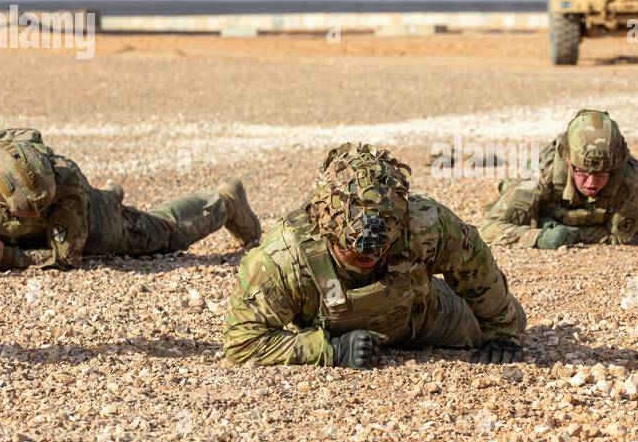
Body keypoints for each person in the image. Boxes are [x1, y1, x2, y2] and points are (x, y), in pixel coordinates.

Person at [223, 143, 526, 368]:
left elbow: (474, 262)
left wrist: (502, 332)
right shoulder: (282, 258)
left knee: (515, 318)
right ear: (325, 231)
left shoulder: (425, 224)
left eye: (379, 250)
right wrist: (331, 350)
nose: (367, 257)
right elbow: (241, 343)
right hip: (331, 330)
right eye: (352, 251)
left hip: (420, 315)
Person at [0, 128, 260, 276]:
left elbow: (66, 256)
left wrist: (9, 258)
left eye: (42, 203)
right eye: (30, 209)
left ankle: (225, 201)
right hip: (2, 239)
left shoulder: (65, 180)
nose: (38, 211)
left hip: (92, 221)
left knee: (164, 235)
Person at [479, 109, 638, 248]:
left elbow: (618, 236)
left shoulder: (633, 181)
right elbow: (489, 228)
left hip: (624, 204)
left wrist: (570, 234)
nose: (592, 183)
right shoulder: (542, 174)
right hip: (555, 202)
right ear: (568, 161)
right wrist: (539, 237)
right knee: (516, 196)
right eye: (583, 173)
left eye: (601, 174)